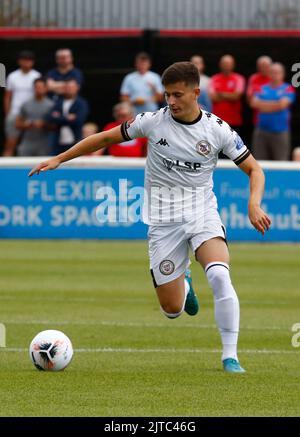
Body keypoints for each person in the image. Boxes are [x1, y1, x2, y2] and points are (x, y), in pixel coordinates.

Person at [29, 62, 271, 373]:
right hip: (163, 221)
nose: (171, 101)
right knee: (172, 310)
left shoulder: (218, 129)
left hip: (202, 213)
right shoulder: (152, 122)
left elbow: (255, 169)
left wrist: (254, 203)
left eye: (178, 95)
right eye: (168, 94)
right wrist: (60, 159)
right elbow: (104, 138)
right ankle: (183, 284)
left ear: (197, 93)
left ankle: (230, 356)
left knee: (219, 275)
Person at [250, 63, 295, 161]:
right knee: (259, 162)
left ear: (283, 74)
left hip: (280, 132)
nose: (275, 75)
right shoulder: (261, 88)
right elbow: (254, 103)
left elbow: (283, 105)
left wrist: (263, 105)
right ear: (269, 74)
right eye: (273, 72)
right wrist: (276, 104)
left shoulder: (288, 88)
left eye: (278, 73)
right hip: (261, 131)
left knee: (281, 162)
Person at [3, 51, 41, 156]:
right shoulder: (12, 76)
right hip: (15, 114)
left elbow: (40, 95)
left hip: (32, 115)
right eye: (24, 60)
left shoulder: (37, 75)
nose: (26, 63)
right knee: (10, 144)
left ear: (32, 62)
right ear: (19, 61)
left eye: (29, 60)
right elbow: (7, 97)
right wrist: (8, 114)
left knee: (33, 144)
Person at [46, 79, 89, 154]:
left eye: (71, 87)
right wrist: (67, 118)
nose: (69, 89)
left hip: (75, 142)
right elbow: (50, 118)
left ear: (77, 87)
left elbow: (79, 120)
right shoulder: (58, 102)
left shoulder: (81, 103)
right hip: (58, 142)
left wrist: (59, 118)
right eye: (67, 87)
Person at [15, 78, 54, 156]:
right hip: (27, 142)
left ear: (46, 88)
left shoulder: (51, 105)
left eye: (41, 87)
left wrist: (43, 124)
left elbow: (55, 126)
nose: (39, 89)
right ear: (33, 88)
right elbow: (17, 124)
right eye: (37, 87)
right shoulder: (26, 104)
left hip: (44, 143)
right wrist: (28, 124)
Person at [209, 54, 245, 135]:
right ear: (220, 65)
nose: (226, 66)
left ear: (233, 65)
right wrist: (230, 95)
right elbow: (213, 97)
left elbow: (237, 96)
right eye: (224, 64)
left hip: (234, 121)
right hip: (216, 121)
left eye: (228, 64)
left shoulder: (239, 78)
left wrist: (220, 94)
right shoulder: (214, 78)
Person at [247, 56, 272, 125]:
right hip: (258, 120)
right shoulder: (253, 78)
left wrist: (259, 100)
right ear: (257, 67)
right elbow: (250, 100)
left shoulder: (275, 78)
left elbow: (279, 100)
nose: (263, 69)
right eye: (261, 66)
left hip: (275, 119)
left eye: (266, 66)